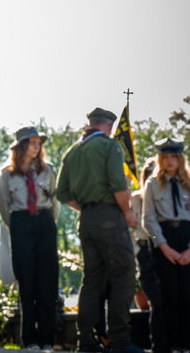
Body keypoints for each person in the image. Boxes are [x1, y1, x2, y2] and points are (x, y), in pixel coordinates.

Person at [56, 108, 143, 353]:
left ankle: (87, 341)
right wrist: (127, 213)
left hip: (87, 220)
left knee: (92, 280)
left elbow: (62, 193)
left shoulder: (72, 151)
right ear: (107, 126)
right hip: (111, 217)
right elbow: (117, 184)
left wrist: (86, 207)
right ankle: (119, 340)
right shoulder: (109, 147)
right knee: (123, 275)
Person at [0, 126, 60, 350]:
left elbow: (55, 202)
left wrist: (45, 222)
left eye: (38, 143)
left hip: (44, 222)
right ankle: (30, 339)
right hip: (21, 222)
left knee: (47, 283)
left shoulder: (48, 170)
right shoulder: (7, 173)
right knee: (27, 283)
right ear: (21, 146)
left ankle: (47, 340)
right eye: (32, 142)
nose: (37, 146)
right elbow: (4, 206)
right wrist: (18, 225)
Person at [141, 138, 190, 353]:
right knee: (169, 296)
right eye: (165, 157)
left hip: (187, 237)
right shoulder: (152, 184)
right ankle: (173, 345)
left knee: (187, 295)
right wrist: (164, 246)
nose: (170, 161)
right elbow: (148, 217)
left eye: (173, 156)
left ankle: (187, 343)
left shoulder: (189, 181)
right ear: (160, 159)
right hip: (164, 238)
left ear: (180, 158)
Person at [131, 160, 164, 353]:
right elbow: (130, 228)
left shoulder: (165, 197)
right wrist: (137, 252)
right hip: (144, 251)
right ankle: (158, 345)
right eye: (149, 173)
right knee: (155, 302)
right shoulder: (137, 198)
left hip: (164, 250)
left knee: (169, 301)